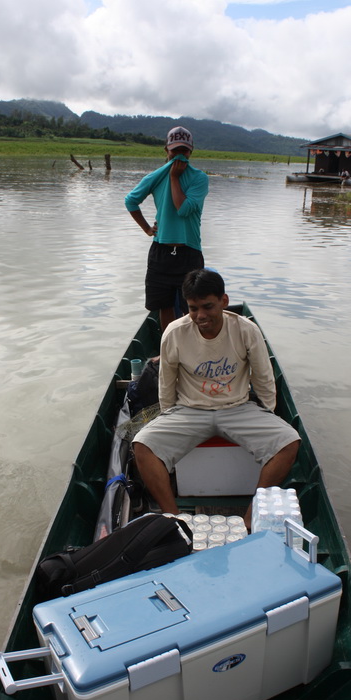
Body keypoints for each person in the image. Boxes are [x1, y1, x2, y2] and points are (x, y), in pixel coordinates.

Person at [132, 269, 300, 529]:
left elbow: (263, 377)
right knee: (142, 445)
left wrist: (268, 415)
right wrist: (167, 417)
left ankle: (251, 514)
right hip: (190, 410)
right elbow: (167, 382)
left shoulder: (246, 330)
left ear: (223, 301)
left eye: (208, 306)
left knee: (288, 442)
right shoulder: (175, 333)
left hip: (237, 408)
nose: (201, 316)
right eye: (193, 308)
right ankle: (174, 518)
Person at [125, 127, 209, 332]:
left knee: (192, 306)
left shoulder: (199, 178)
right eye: (174, 150)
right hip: (161, 250)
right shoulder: (155, 177)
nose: (179, 155)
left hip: (188, 251)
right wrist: (147, 229)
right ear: (166, 150)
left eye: (184, 150)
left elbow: (183, 209)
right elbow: (131, 201)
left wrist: (174, 178)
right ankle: (169, 351)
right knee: (164, 305)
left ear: (191, 151)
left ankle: (191, 349)